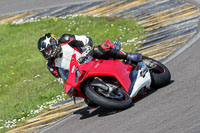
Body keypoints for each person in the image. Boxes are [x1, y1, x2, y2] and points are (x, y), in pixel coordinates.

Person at [37, 33, 142, 84]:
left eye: (49, 49)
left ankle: (128, 55)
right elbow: (62, 80)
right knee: (89, 101)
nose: (48, 53)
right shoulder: (51, 65)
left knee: (98, 50)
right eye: (45, 52)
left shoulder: (66, 40)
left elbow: (86, 39)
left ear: (54, 44)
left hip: (91, 59)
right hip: (81, 75)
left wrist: (86, 50)